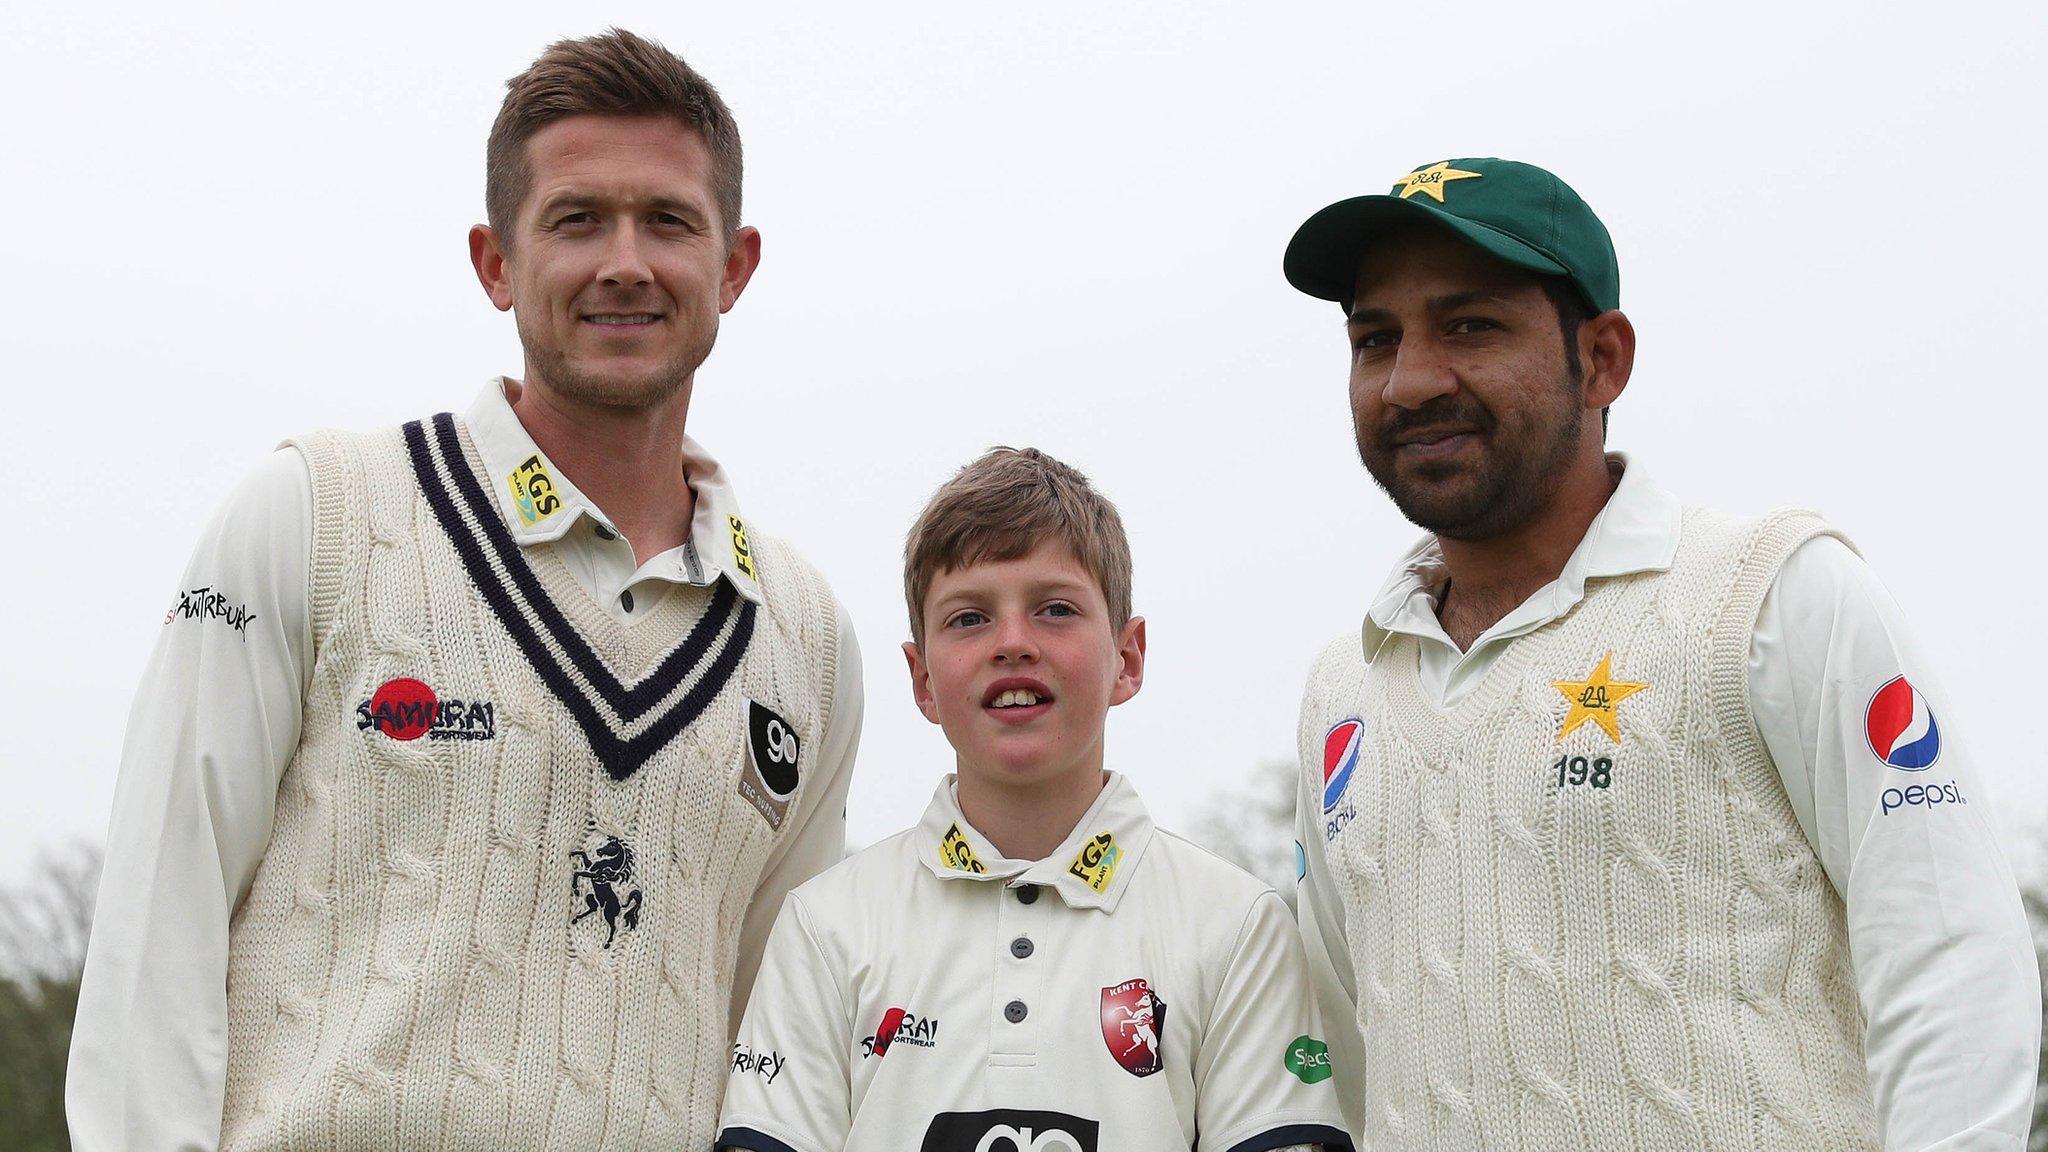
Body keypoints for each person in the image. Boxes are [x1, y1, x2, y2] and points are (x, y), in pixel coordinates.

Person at [67, 29, 862, 1152]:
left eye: (668, 221)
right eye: (577, 219)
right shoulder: (315, 515)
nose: (624, 262)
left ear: (734, 266)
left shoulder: (808, 638)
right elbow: (157, 932)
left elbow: (773, 1051)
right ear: (496, 261)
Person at [1280, 156, 2039, 1150]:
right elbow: (1331, 1057)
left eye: (1470, 326)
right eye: (1374, 339)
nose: (1411, 379)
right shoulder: (1345, 691)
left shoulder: (1770, 592)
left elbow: (1950, 962)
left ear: (1601, 358)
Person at [715, 449, 1353, 1152]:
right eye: (969, 618)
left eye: (1055, 610)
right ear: (922, 678)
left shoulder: (1236, 928)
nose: (1013, 643)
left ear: (1128, 658)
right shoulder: (824, 927)